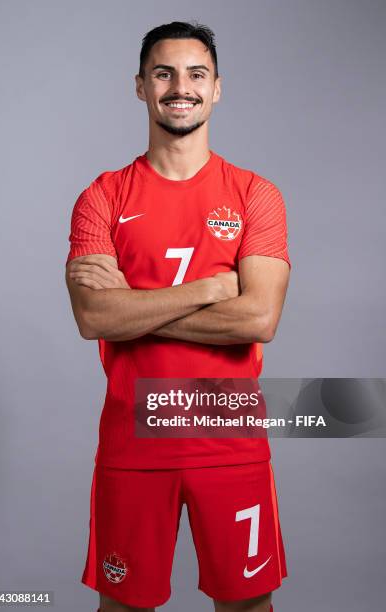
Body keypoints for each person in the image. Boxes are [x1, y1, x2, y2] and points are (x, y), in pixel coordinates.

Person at [65, 20, 291, 612]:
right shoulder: (103, 196)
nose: (180, 86)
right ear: (140, 86)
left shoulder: (254, 195)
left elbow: (258, 319)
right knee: (124, 607)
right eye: (163, 73)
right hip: (133, 444)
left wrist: (132, 308)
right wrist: (213, 288)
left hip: (230, 441)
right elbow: (92, 315)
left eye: (196, 74)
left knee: (246, 606)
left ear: (217, 88)